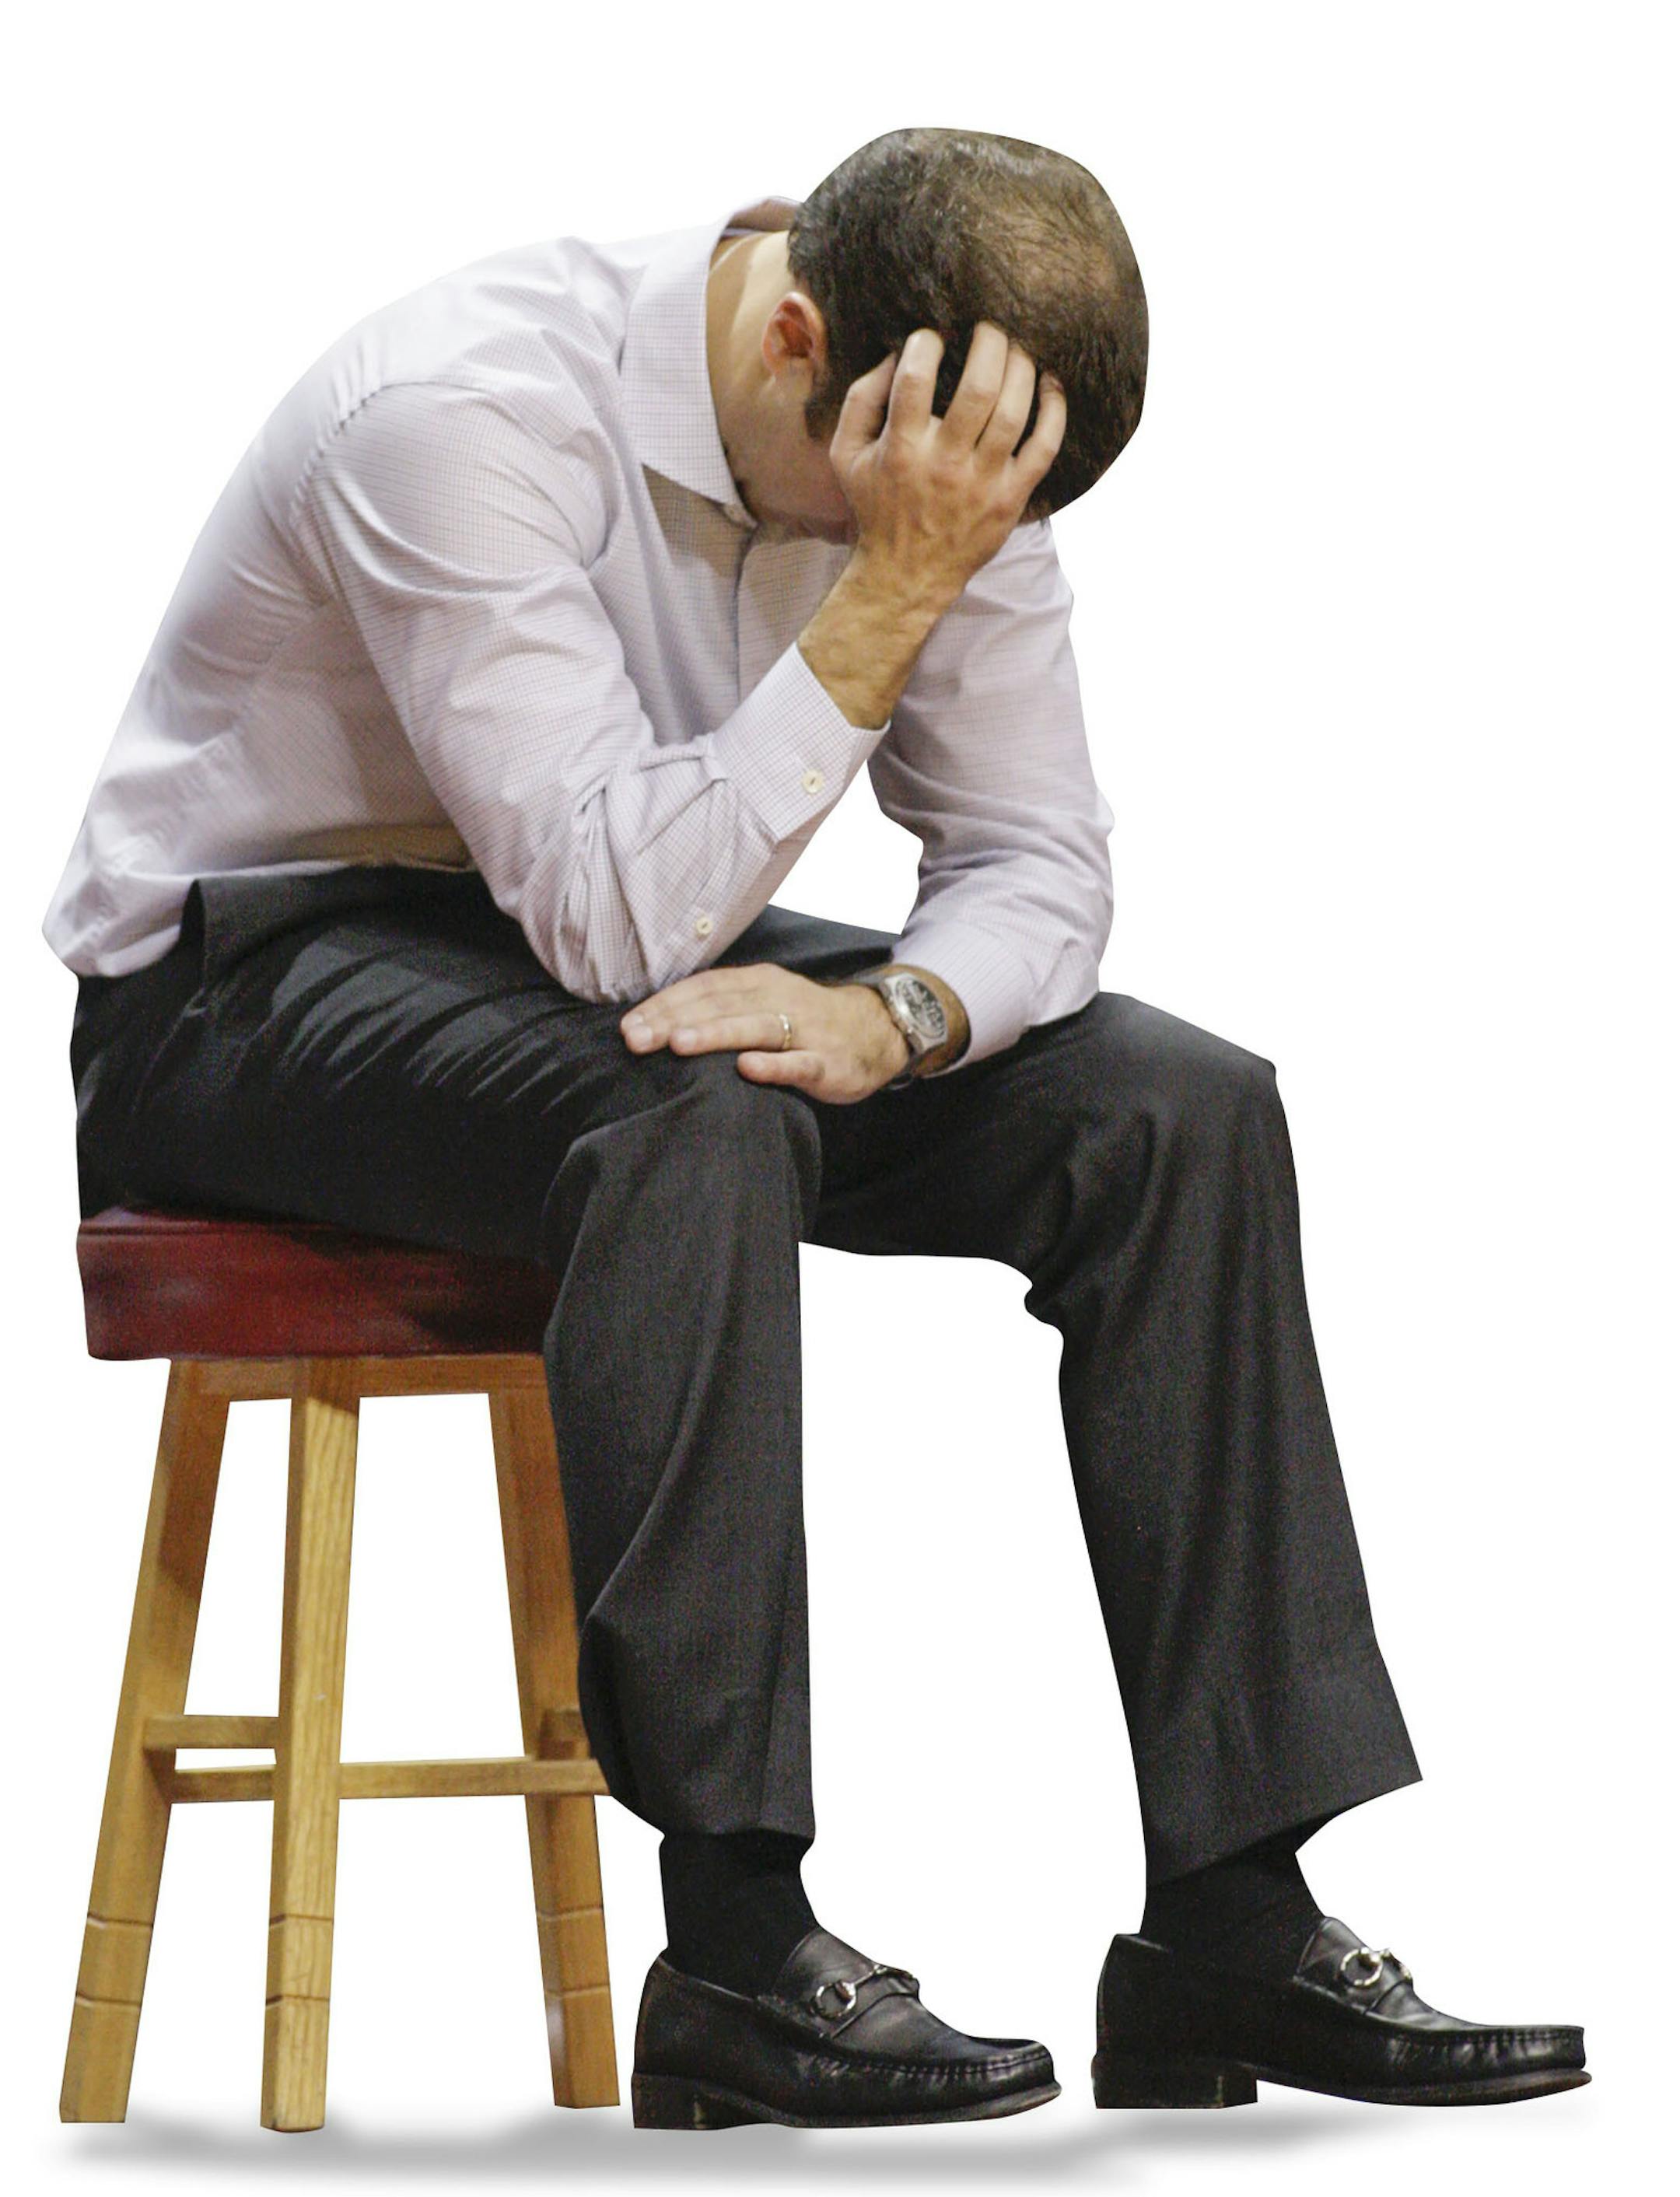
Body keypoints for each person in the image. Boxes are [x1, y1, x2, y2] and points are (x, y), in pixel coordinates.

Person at [45, 127, 1587, 2129]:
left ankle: (1231, 1914)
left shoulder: (950, 435)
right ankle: (739, 1943)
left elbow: (1034, 864)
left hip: (605, 916)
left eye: (987, 514)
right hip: (250, 970)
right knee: (692, 1117)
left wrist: (897, 1012)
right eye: (927, 499)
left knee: (1175, 1111)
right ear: (795, 338)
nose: (959, 535)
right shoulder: (463, 415)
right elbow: (609, 914)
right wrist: (895, 589)